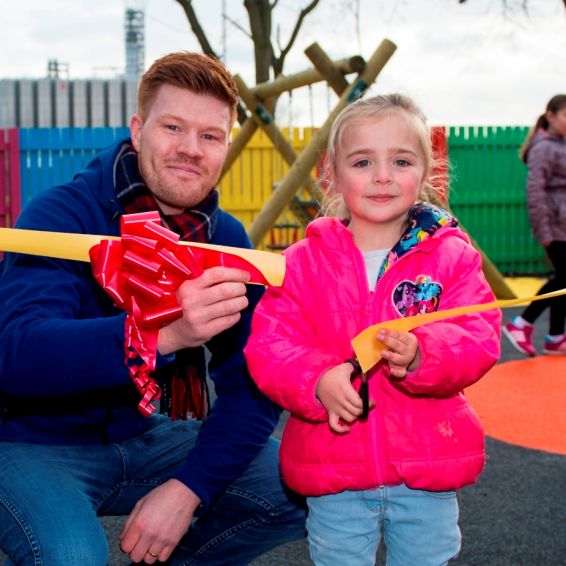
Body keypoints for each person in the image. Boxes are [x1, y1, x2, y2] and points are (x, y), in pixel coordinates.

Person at [0, 51, 306, 565]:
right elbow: (14, 353)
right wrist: (159, 337)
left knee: (294, 479)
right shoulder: (61, 215)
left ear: (226, 146)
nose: (191, 150)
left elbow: (250, 386)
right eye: (173, 128)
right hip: (31, 441)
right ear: (138, 131)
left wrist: (188, 490)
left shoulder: (223, 240)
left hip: (144, 432)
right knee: (72, 555)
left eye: (210, 136)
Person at [244, 94, 501, 566]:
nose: (382, 175)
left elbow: (478, 332)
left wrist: (424, 355)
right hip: (333, 466)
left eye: (400, 160)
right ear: (333, 174)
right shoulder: (299, 263)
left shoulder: (451, 257)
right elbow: (269, 345)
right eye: (363, 161)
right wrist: (317, 380)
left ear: (425, 172)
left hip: (427, 464)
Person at [503, 94, 566, 357]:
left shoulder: (560, 144)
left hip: (563, 223)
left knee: (562, 280)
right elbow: (535, 190)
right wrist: (543, 231)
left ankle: (555, 337)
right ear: (550, 117)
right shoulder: (543, 147)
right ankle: (522, 323)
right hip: (554, 225)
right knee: (564, 278)